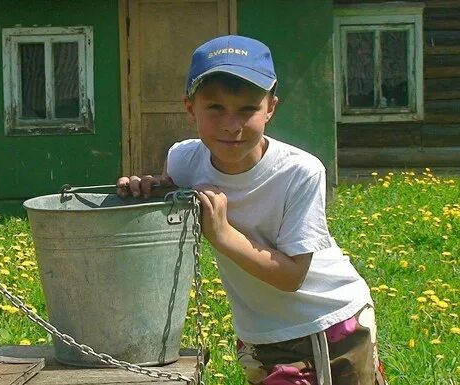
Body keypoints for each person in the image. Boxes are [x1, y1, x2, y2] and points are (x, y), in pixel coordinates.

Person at [116, 35, 386, 385]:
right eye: (215, 108)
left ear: (270, 108)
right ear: (189, 107)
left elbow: (292, 276)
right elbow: (176, 197)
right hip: (258, 331)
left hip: (325, 323)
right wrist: (149, 188)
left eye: (247, 109)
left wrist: (224, 234)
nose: (231, 125)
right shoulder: (183, 159)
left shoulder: (299, 172)